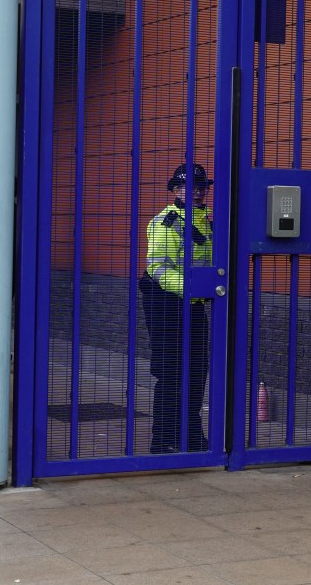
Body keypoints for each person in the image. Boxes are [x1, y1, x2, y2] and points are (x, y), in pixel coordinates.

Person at [139, 163, 213, 454]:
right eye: (187, 187)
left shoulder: (207, 222)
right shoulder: (166, 222)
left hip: (194, 304)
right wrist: (193, 289)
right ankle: (165, 439)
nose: (194, 192)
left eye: (200, 187)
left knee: (196, 371)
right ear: (175, 190)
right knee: (171, 372)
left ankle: (191, 436)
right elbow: (157, 268)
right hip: (166, 303)